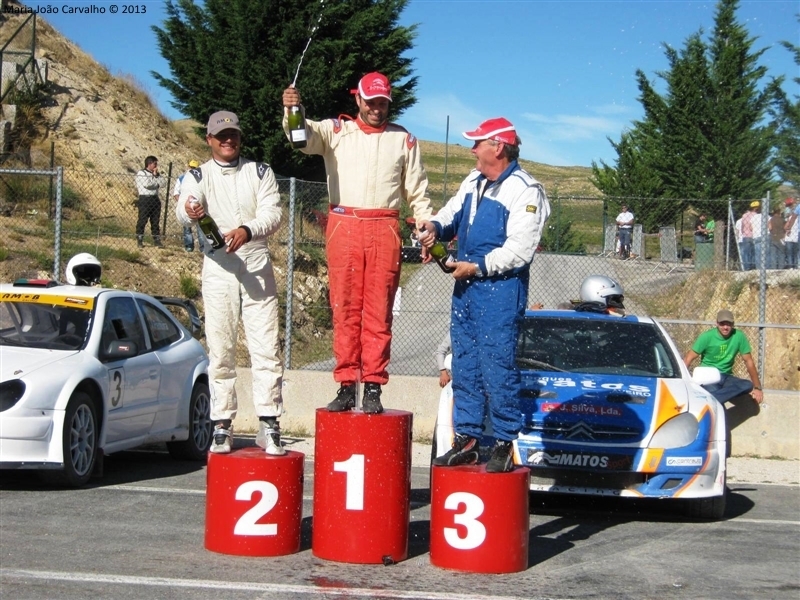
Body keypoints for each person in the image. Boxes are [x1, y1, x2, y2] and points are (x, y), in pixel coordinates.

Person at [282, 72, 433, 414]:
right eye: (370, 102)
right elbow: (300, 137)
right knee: (345, 308)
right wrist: (293, 110)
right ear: (357, 99)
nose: (376, 109)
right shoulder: (336, 131)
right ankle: (347, 383)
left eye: (382, 103)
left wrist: (425, 227)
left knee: (379, 310)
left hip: (385, 226)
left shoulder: (403, 140)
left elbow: (418, 192)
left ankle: (374, 385)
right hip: (343, 224)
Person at [418, 117, 550, 473]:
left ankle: (505, 443)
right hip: (466, 287)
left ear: (499, 147)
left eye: (478, 143)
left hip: (500, 290)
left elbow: (520, 250)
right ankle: (467, 440)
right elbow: (450, 215)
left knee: (497, 365)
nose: (472, 150)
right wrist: (432, 228)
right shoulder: (473, 181)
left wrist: (476, 267)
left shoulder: (526, 190)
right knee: (464, 362)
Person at [176, 111, 285, 456]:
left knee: (266, 346)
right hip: (218, 266)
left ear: (240, 138)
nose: (228, 141)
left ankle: (269, 422)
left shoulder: (260, 171)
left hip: (256, 262)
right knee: (220, 347)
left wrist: (247, 231)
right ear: (209, 139)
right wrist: (190, 209)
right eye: (221, 136)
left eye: (233, 135)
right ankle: (222, 424)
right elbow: (183, 208)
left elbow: (274, 213)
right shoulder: (198, 175)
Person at [683, 309, 763, 406]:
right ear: (716, 323)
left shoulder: (739, 336)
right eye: (722, 324)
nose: (725, 327)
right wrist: (684, 382)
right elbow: (688, 358)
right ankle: (715, 400)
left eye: (728, 324)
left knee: (747, 385)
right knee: (719, 403)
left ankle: (709, 399)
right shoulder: (707, 337)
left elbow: (748, 361)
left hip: (726, 376)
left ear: (733, 324)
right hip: (709, 376)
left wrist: (757, 387)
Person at [173, 159, 204, 252]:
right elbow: (176, 193)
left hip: (197, 206)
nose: (192, 169)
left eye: (194, 168)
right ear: (188, 166)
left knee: (200, 228)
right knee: (187, 228)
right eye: (191, 167)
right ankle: (189, 246)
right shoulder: (182, 178)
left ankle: (202, 247)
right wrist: (182, 204)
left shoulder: (200, 178)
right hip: (186, 207)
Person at [135, 156, 166, 248]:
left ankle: (156, 240)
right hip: (145, 199)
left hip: (155, 199)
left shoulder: (156, 174)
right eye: (155, 164)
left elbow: (163, 183)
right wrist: (157, 184)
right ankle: (139, 238)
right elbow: (147, 184)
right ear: (149, 164)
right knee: (143, 219)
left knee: (155, 221)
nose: (156, 166)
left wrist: (156, 176)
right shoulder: (142, 173)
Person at [740, 201, 759, 270]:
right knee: (754, 252)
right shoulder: (756, 216)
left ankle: (746, 267)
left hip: (746, 235)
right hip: (754, 235)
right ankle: (753, 266)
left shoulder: (744, 215)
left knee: (746, 253)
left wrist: (743, 232)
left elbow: (742, 226)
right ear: (756, 208)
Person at [784, 198, 799, 269]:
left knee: (790, 253)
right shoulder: (797, 219)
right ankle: (796, 265)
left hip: (789, 237)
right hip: (796, 237)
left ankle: (791, 266)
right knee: (796, 252)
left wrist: (788, 229)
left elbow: (785, 227)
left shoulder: (790, 218)